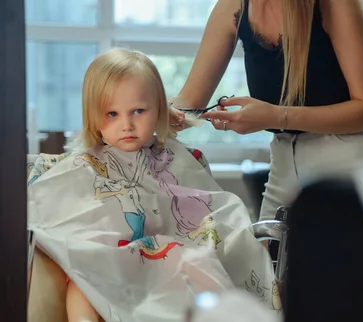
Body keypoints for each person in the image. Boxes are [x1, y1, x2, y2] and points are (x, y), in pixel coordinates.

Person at [27, 48, 279, 322]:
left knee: (202, 269)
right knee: (82, 281)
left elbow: (207, 211)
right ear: (92, 114)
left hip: (170, 261)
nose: (127, 125)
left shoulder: (179, 158)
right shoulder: (83, 164)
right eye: (112, 113)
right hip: (107, 261)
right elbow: (48, 212)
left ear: (160, 107)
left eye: (138, 111)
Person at [168, 0, 363, 222]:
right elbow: (189, 104)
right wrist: (154, 111)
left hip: (351, 164)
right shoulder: (234, 6)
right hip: (284, 162)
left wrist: (276, 116)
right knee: (268, 257)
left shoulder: (335, 4)